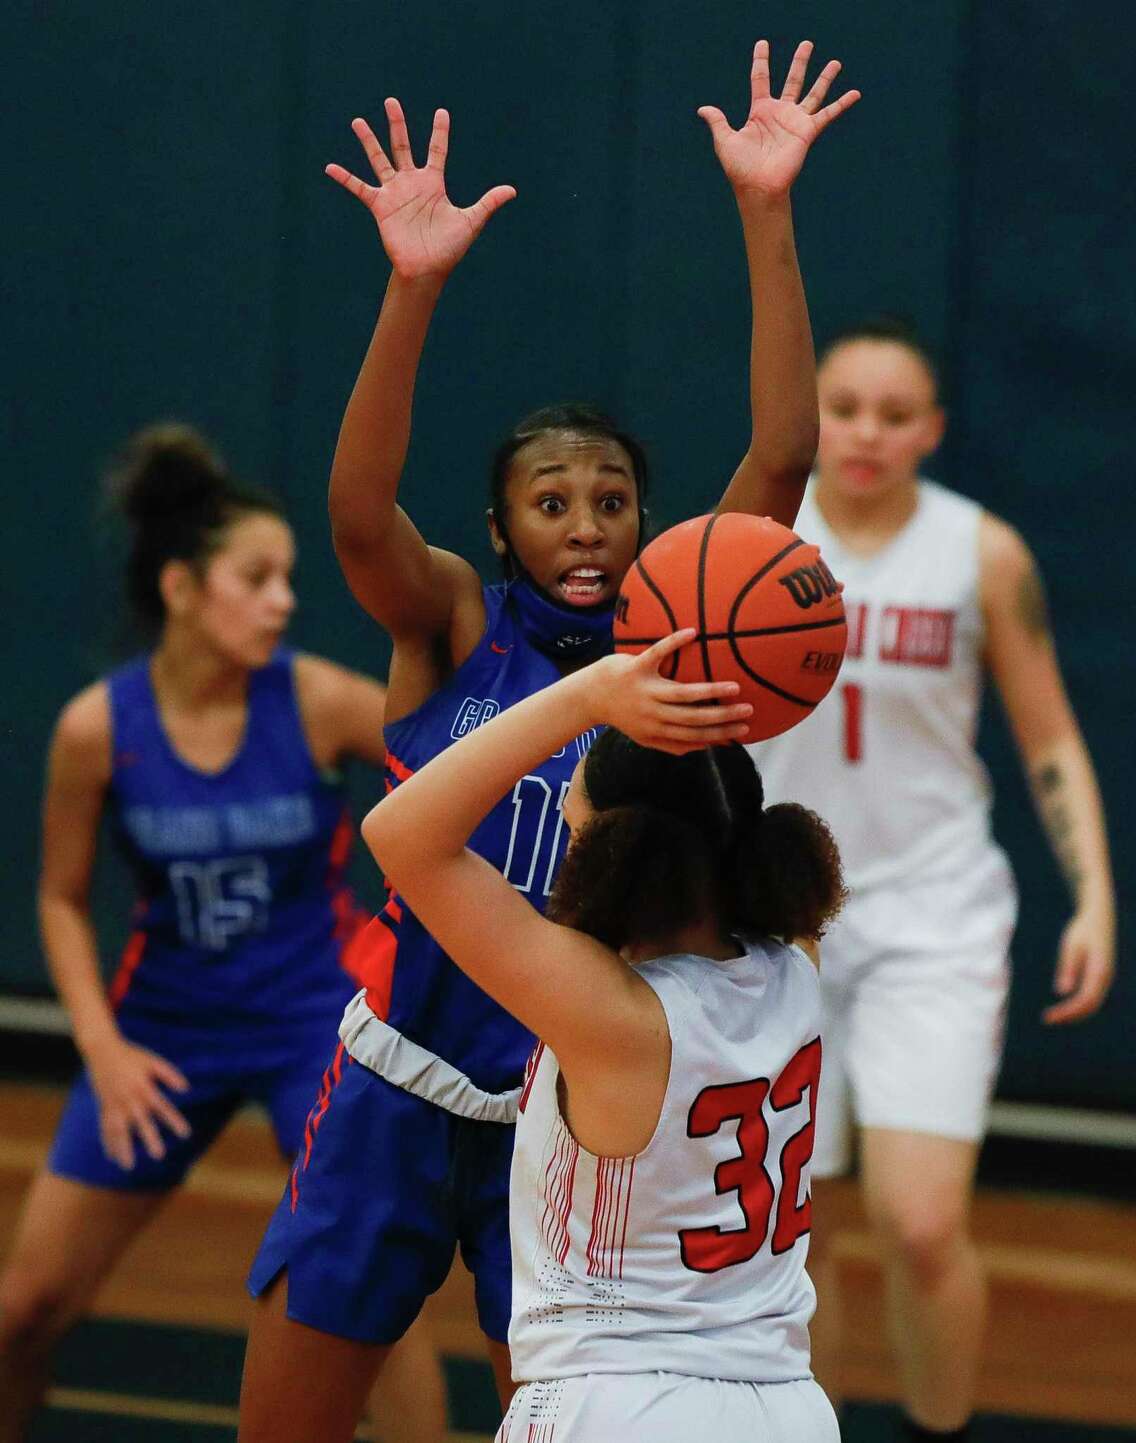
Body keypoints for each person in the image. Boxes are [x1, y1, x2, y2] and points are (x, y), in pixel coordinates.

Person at [239, 37, 860, 1443]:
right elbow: (353, 517)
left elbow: (782, 456)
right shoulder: (452, 617)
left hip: (576, 1097)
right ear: (503, 523)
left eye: (612, 498)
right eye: (552, 501)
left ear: (648, 519)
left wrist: (769, 214)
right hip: (398, 1071)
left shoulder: (681, 622)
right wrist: (410, 293)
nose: (586, 526)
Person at [0, 425, 443, 1443]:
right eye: (259, 577)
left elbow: (453, 780)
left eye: (289, 577)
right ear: (182, 589)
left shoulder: (322, 699)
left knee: (365, 1302)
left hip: (312, 1029)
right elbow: (62, 900)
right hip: (164, 1033)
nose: (286, 600)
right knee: (24, 1311)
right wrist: (102, 1050)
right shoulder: (94, 731)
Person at [748, 317, 1118, 1442]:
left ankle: (936, 1430)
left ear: (932, 430)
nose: (865, 432)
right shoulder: (757, 537)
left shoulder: (981, 552)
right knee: (790, 1229)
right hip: (780, 917)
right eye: (845, 406)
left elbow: (1047, 736)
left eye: (893, 413)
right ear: (814, 413)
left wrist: (1095, 891)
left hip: (933, 913)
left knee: (917, 1225)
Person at [356, 630, 848, 1440]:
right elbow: (718, 809)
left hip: (623, 1403)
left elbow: (402, 833)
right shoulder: (800, 964)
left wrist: (585, 697)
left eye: (576, 823)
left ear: (620, 857)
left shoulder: (613, 1019)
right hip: (790, 1409)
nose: (562, 827)